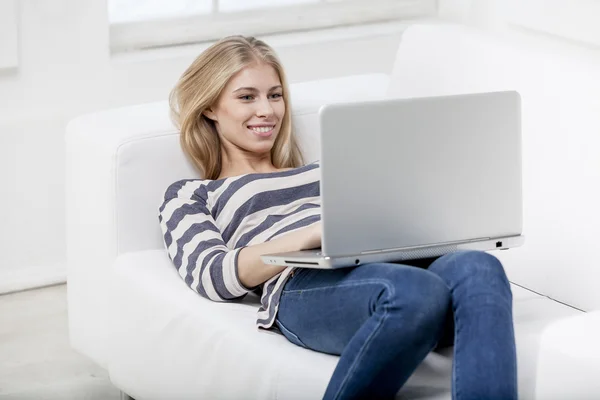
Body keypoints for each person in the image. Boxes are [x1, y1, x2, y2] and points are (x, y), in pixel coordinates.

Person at [159, 35, 518, 400]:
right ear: (210, 108)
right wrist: (308, 237)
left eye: (275, 95)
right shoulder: (194, 193)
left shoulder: (328, 167)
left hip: (388, 258)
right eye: (247, 97)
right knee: (412, 293)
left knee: (480, 267)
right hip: (304, 283)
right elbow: (212, 274)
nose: (267, 110)